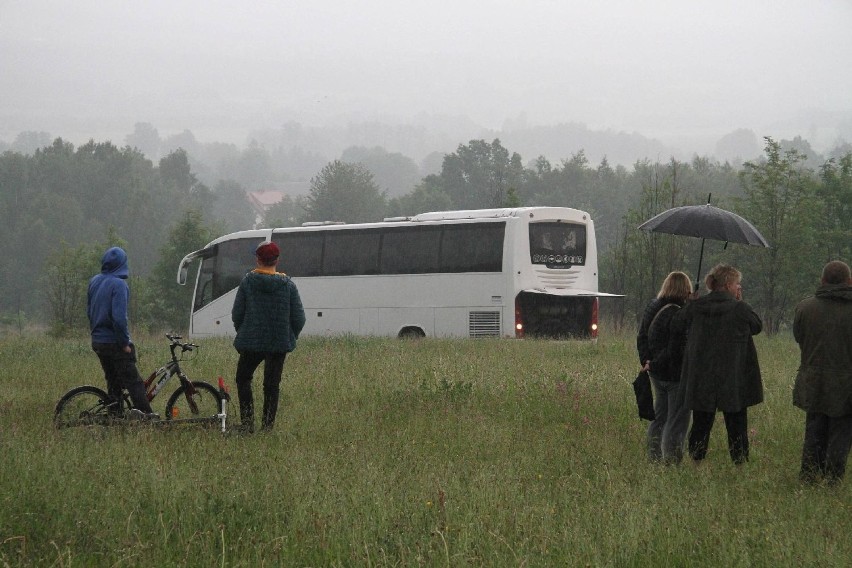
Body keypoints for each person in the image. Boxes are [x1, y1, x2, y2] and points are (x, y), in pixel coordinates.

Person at [672, 264, 763, 465]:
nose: (738, 287)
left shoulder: (697, 306)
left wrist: (690, 304)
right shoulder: (740, 308)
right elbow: (757, 326)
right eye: (737, 283)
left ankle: (696, 461)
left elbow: (677, 323)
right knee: (736, 421)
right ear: (729, 284)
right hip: (732, 375)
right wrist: (741, 302)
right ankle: (739, 463)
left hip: (701, 375)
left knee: (701, 421)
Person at [232, 241, 306, 433]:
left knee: (243, 378)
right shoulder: (288, 285)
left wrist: (244, 330)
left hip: (251, 342)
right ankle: (267, 428)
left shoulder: (248, 282)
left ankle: (247, 424)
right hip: (278, 343)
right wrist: (290, 336)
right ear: (277, 260)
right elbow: (299, 318)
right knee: (271, 385)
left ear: (258, 259)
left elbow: (236, 313)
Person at [793, 260, 852, 484]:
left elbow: (800, 338)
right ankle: (833, 479)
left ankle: (808, 476)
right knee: (842, 431)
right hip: (847, 382)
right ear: (849, 282)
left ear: (823, 281)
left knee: (815, 428)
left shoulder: (805, 308)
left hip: (813, 380)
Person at [87, 246, 157, 419]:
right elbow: (119, 319)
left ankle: (115, 417)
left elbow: (89, 311)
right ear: (122, 264)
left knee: (114, 382)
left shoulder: (94, 281)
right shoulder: (119, 285)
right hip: (113, 342)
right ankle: (148, 418)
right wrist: (124, 343)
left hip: (98, 341)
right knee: (134, 382)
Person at [637, 271, 693, 463]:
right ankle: (672, 462)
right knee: (677, 420)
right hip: (675, 375)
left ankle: (653, 458)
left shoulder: (652, 306)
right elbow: (675, 348)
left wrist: (647, 362)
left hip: (655, 374)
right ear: (685, 289)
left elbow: (641, 336)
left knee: (659, 417)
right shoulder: (680, 312)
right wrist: (654, 362)